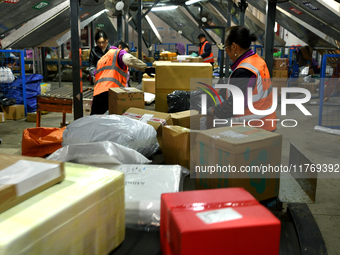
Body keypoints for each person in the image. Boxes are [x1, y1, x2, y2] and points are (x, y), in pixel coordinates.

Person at [208, 26, 277, 132]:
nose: (225, 50)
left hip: (252, 129)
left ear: (234, 46)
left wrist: (212, 111)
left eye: (226, 46)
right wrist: (219, 91)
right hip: (266, 122)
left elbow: (232, 107)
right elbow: (247, 90)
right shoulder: (256, 60)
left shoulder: (244, 71)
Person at [90, 44, 153, 115]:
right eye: (126, 51)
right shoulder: (118, 53)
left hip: (97, 94)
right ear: (120, 47)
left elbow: (94, 78)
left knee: (94, 119)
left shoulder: (102, 59)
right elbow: (128, 59)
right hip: (111, 92)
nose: (126, 53)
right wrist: (145, 68)